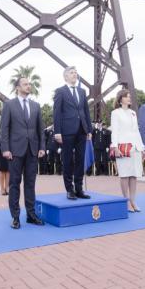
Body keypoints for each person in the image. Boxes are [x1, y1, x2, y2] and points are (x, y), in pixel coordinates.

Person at [0, 77, 46, 229]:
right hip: (15, 151)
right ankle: (15, 217)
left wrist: (42, 147)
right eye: (25, 84)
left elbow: (40, 129)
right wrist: (5, 148)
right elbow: (4, 128)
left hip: (32, 150)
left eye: (29, 84)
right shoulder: (9, 105)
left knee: (30, 184)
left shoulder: (36, 106)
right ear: (18, 87)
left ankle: (31, 215)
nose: (28, 86)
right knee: (14, 184)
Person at [52, 66, 92, 200]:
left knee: (80, 160)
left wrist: (89, 130)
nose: (75, 74)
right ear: (65, 76)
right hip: (66, 131)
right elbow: (57, 112)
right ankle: (69, 189)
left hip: (82, 130)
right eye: (71, 73)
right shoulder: (60, 91)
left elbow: (86, 111)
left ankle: (79, 188)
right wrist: (57, 132)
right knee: (68, 160)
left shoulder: (82, 91)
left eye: (76, 72)